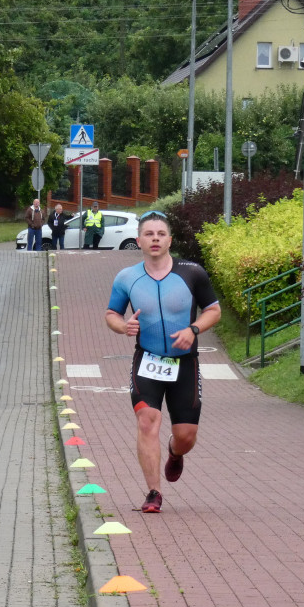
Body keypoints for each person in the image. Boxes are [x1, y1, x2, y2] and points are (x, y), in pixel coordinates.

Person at [104, 211, 221, 513]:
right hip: (147, 361)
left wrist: (194, 329)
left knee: (186, 436)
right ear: (139, 240)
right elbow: (112, 315)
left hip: (185, 363)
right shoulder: (126, 278)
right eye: (148, 234)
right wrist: (124, 326)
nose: (155, 238)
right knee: (147, 420)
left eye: (160, 233)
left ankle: (174, 452)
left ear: (170, 239)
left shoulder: (192, 272)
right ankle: (153, 492)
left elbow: (213, 310)